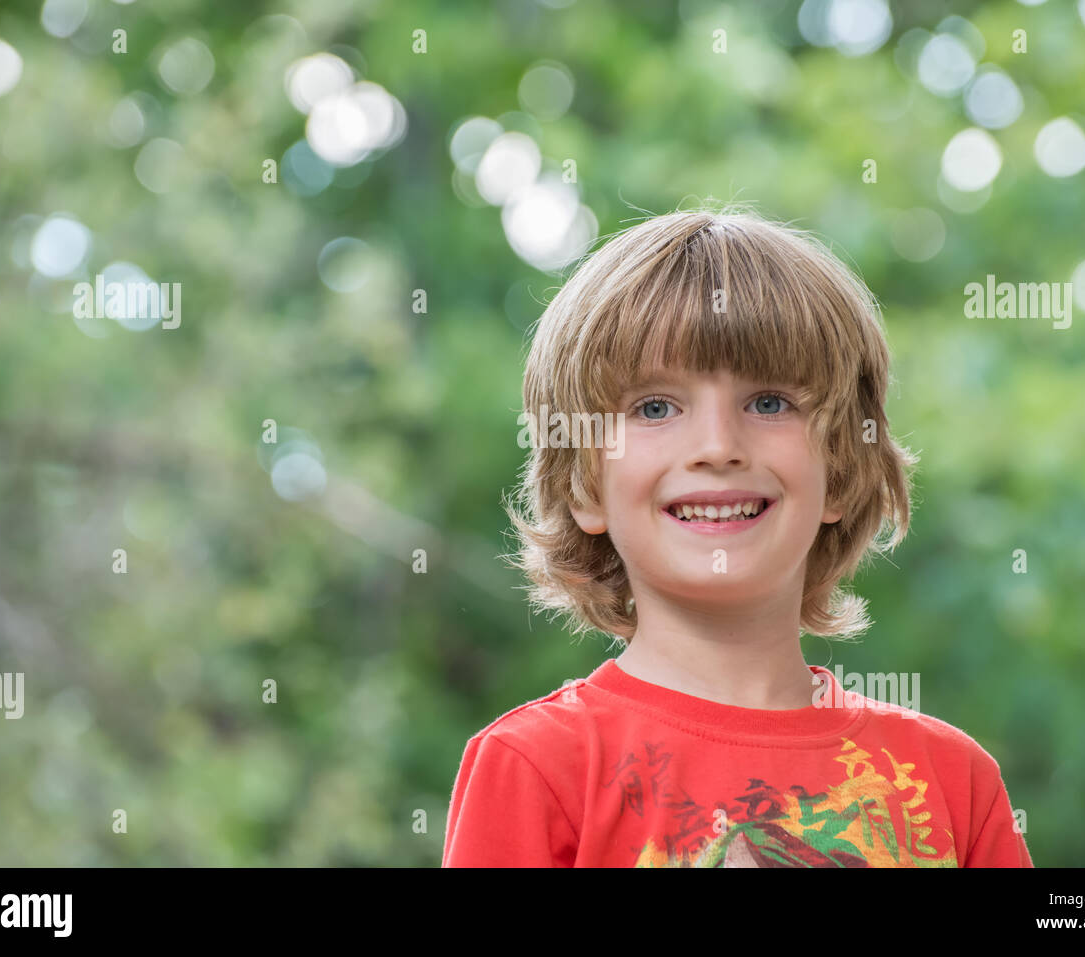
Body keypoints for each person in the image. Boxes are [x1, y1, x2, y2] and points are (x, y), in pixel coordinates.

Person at [442, 203, 1033, 867]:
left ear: (838, 472)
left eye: (769, 402)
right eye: (655, 407)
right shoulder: (537, 767)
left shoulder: (954, 784)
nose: (718, 446)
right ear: (583, 482)